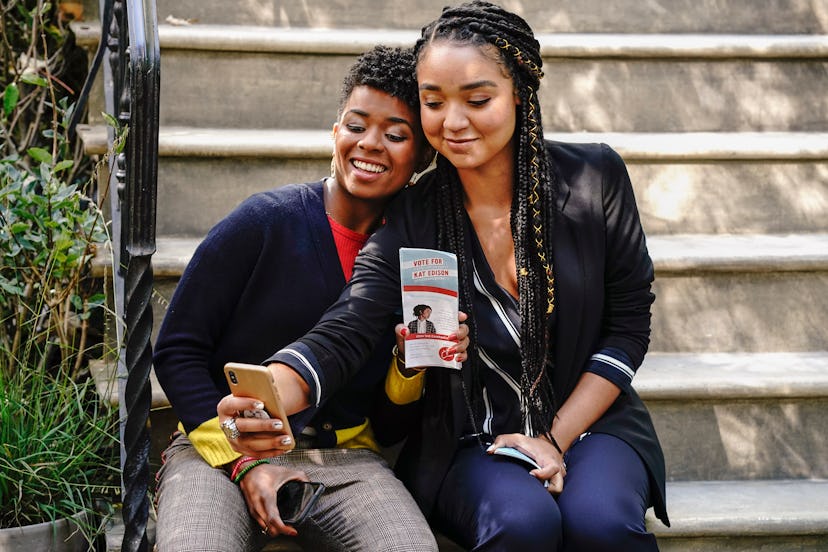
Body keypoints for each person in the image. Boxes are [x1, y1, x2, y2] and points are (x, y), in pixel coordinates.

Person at [220, 2, 669, 550]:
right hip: (469, 439)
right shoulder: (414, 213)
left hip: (593, 423)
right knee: (522, 523)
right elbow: (351, 324)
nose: (452, 123)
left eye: (477, 100)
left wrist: (554, 437)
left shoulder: (594, 178)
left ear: (520, 93)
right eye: (433, 102)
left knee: (599, 524)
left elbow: (628, 326)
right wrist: (271, 393)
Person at [152, 45, 440, 551]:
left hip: (347, 459)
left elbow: (392, 425)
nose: (370, 144)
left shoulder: (417, 260)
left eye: (396, 135)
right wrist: (245, 462)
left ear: (422, 157)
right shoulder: (265, 220)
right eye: (356, 126)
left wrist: (409, 361)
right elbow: (177, 349)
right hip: (221, 449)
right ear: (335, 134)